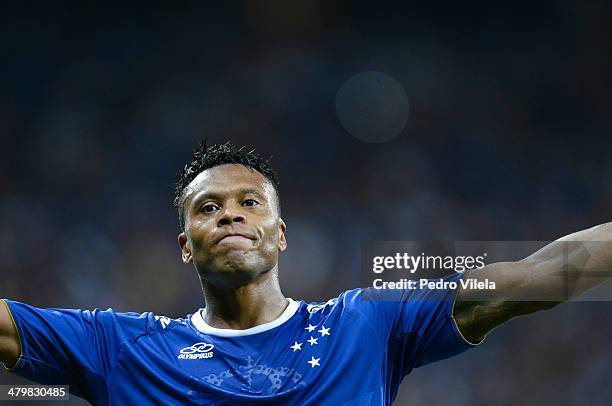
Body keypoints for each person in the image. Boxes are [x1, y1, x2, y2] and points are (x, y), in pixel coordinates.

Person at [0, 141, 610, 405]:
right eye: (208, 209)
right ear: (187, 247)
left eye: (250, 203)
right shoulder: (122, 349)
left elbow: (540, 274)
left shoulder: (367, 326)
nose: (230, 215)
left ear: (281, 235)